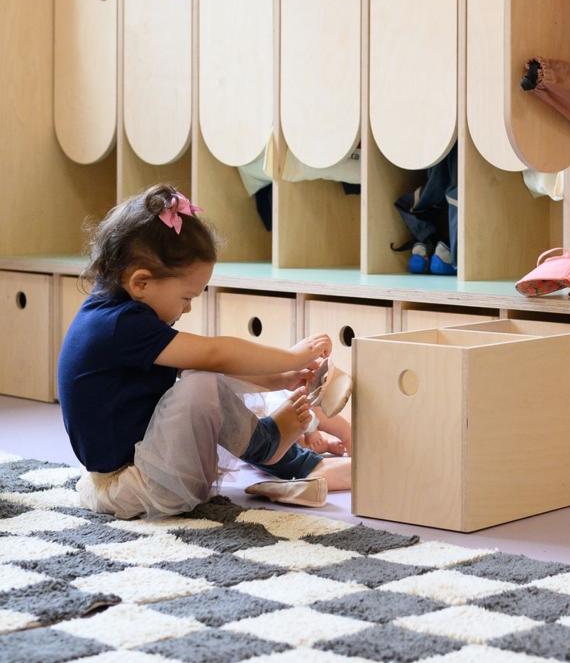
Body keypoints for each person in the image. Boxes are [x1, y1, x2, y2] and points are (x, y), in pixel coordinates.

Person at [57, 185, 351, 519]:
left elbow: (206, 363)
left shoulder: (112, 313)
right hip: (138, 487)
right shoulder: (120, 325)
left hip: (129, 475)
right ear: (141, 283)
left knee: (200, 374)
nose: (187, 309)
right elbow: (215, 354)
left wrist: (280, 378)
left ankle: (276, 446)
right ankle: (266, 443)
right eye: (186, 298)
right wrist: (292, 356)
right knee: (201, 382)